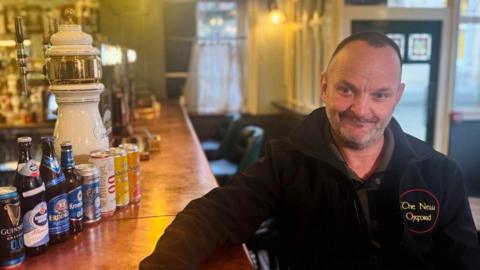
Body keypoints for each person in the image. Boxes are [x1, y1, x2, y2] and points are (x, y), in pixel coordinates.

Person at [140, 32, 480, 269]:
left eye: (380, 95)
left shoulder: (440, 173)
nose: (361, 109)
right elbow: (210, 217)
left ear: (398, 95)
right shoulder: (285, 162)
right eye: (347, 89)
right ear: (324, 87)